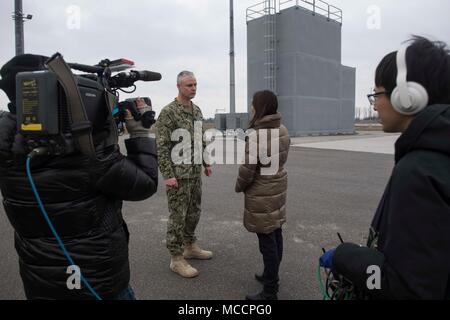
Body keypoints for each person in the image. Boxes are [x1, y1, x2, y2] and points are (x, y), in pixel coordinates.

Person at [0, 54, 158, 300]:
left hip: (39, 282)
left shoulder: (7, 142)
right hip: (97, 283)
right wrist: (140, 134)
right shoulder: (86, 151)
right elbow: (144, 184)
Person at [320, 36, 450, 299]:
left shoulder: (419, 171)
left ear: (407, 97)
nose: (375, 104)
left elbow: (403, 288)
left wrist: (347, 257)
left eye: (377, 93)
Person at [155, 71, 213, 278]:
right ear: (179, 86)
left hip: (194, 173)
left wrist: (206, 162)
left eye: (195, 84)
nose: (194, 88)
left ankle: (190, 246)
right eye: (189, 85)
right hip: (177, 175)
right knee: (178, 216)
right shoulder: (168, 112)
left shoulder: (196, 111)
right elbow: (161, 147)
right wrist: (167, 175)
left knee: (194, 211)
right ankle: (176, 258)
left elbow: (200, 139)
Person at [235, 90, 291, 300]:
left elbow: (247, 169)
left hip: (262, 191)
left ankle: (270, 291)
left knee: (266, 239)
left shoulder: (257, 135)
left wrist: (239, 186)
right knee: (275, 231)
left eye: (253, 104)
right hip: (277, 186)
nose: (251, 107)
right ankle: (271, 274)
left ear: (261, 107)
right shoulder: (283, 129)